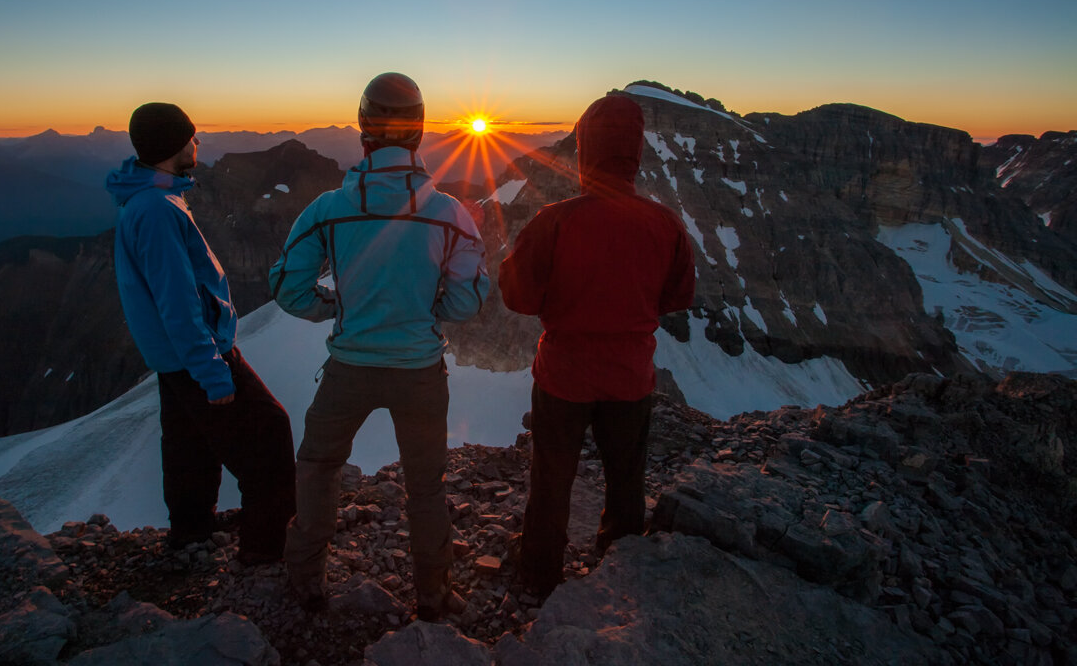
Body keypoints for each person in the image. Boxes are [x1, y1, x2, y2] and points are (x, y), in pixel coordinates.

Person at [270, 72, 490, 618]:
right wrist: (425, 310)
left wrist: (337, 308)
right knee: (426, 487)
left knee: (319, 466)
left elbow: (289, 289)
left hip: (349, 366)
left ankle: (305, 581)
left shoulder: (327, 209)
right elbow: (466, 304)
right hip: (419, 368)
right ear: (419, 134)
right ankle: (435, 595)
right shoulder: (449, 214)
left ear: (364, 130)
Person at [499, 93, 696, 597]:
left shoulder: (555, 219)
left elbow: (518, 296)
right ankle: (621, 566)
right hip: (630, 376)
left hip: (564, 374)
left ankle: (540, 573)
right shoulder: (665, 223)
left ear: (585, 153)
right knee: (626, 476)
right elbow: (678, 295)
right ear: (634, 154)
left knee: (552, 477)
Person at [106, 101, 296, 564]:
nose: (199, 142)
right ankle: (265, 554)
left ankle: (190, 533)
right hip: (198, 353)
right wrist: (212, 371)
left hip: (176, 357)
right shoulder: (156, 209)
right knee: (269, 433)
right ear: (174, 145)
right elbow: (178, 300)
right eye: (192, 135)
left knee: (191, 444)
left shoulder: (150, 198)